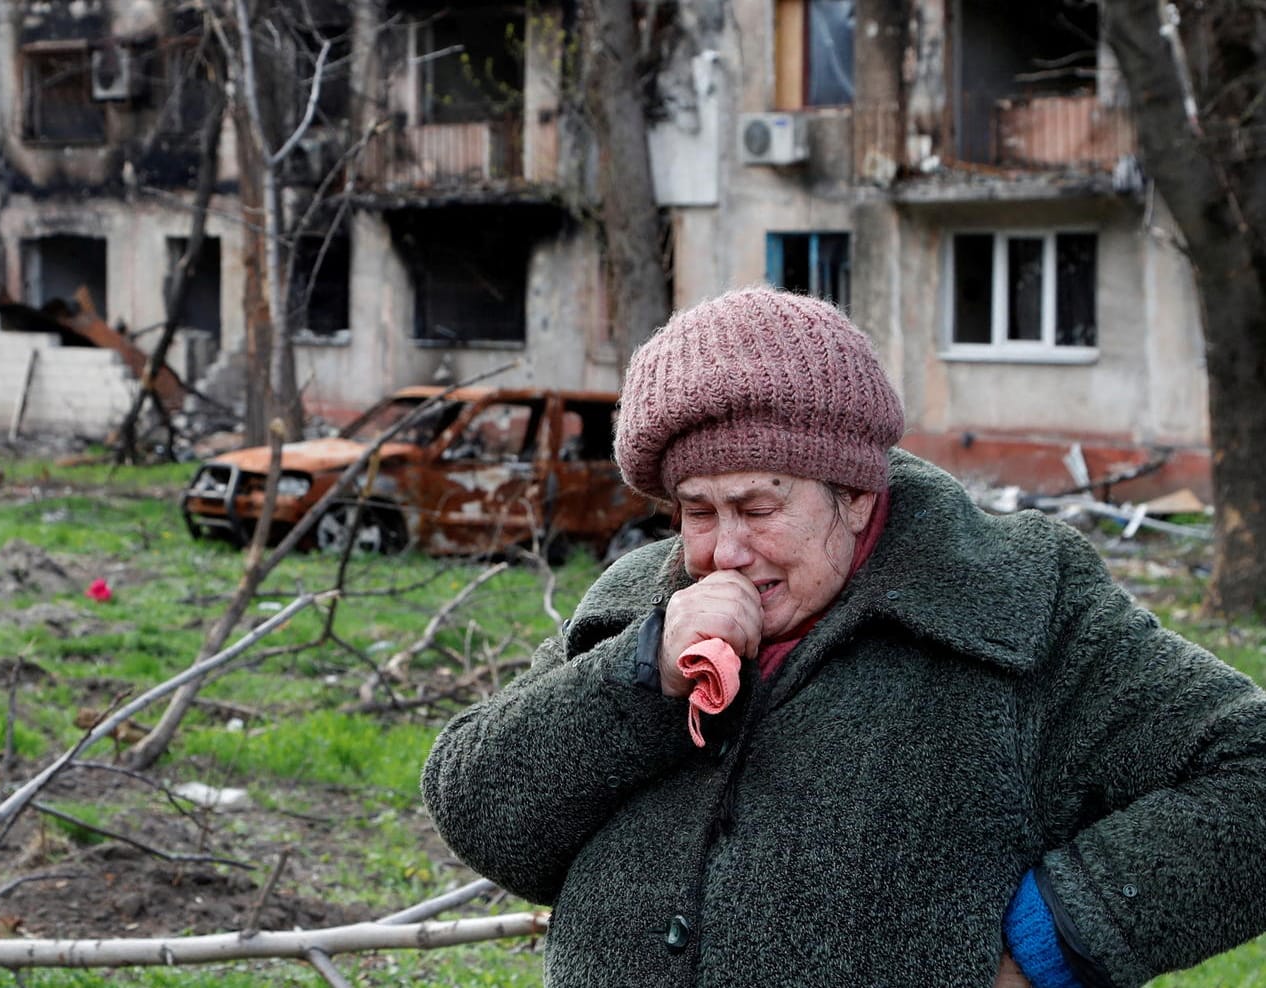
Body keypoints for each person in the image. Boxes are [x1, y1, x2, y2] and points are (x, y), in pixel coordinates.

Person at [421, 286, 1266, 987]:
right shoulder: (633, 603)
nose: (726, 551)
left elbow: (1250, 771)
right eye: (697, 512)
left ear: (856, 496)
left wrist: (1058, 939)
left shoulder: (1013, 599)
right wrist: (644, 675)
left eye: (759, 507)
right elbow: (482, 813)